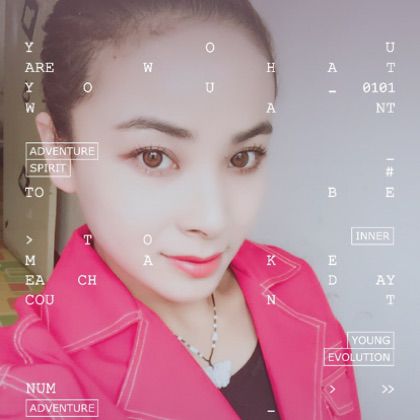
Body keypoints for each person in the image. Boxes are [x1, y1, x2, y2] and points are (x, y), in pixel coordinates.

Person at [0, 0, 361, 419]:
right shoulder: (31, 386)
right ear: (60, 152)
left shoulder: (293, 285)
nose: (213, 221)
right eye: (153, 157)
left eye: (243, 157)